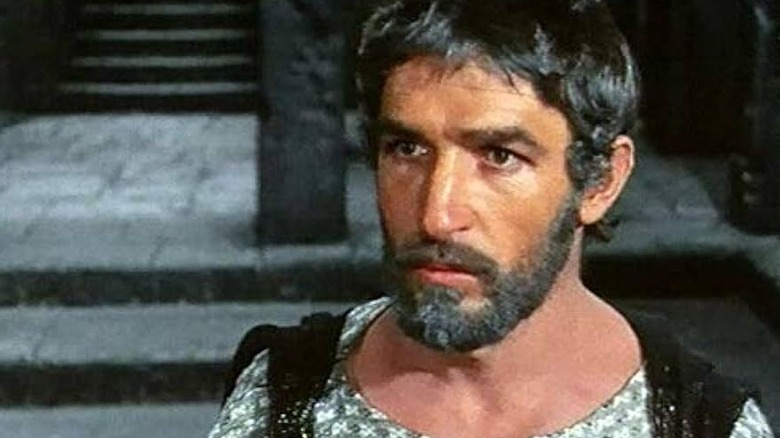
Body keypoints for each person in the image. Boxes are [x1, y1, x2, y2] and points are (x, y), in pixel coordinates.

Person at [210, 0, 775, 437]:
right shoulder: (281, 398)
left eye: (499, 156)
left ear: (600, 181)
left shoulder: (702, 426)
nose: (437, 216)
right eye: (407, 149)